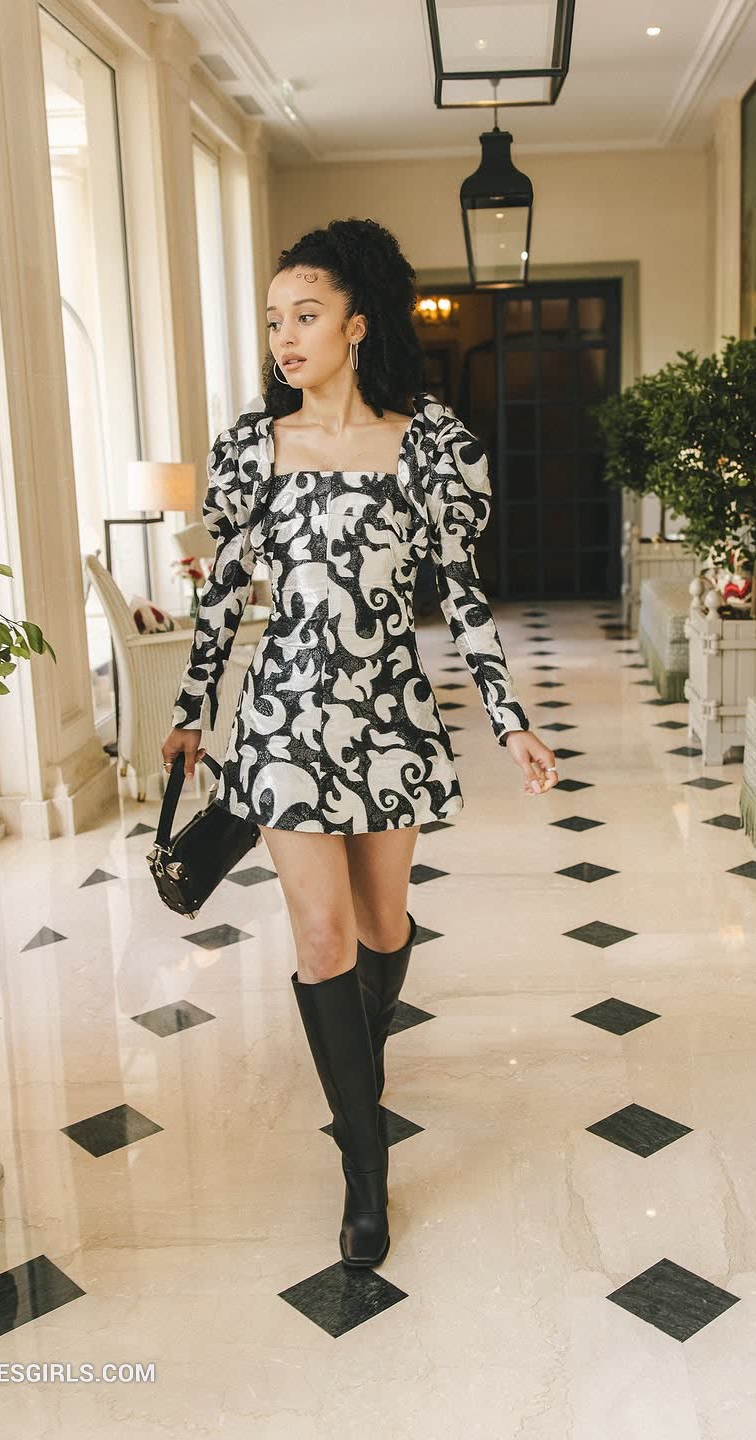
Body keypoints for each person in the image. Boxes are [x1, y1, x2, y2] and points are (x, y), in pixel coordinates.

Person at [161, 218, 558, 1269]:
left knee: (384, 926)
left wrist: (509, 717)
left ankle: (355, 1072)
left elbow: (461, 595)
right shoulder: (251, 447)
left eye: (307, 316)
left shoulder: (428, 443)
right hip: (285, 721)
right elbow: (223, 597)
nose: (286, 338)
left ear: (357, 323)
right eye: (274, 322)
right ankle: (364, 1165)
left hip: (389, 717)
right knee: (322, 937)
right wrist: (194, 710)